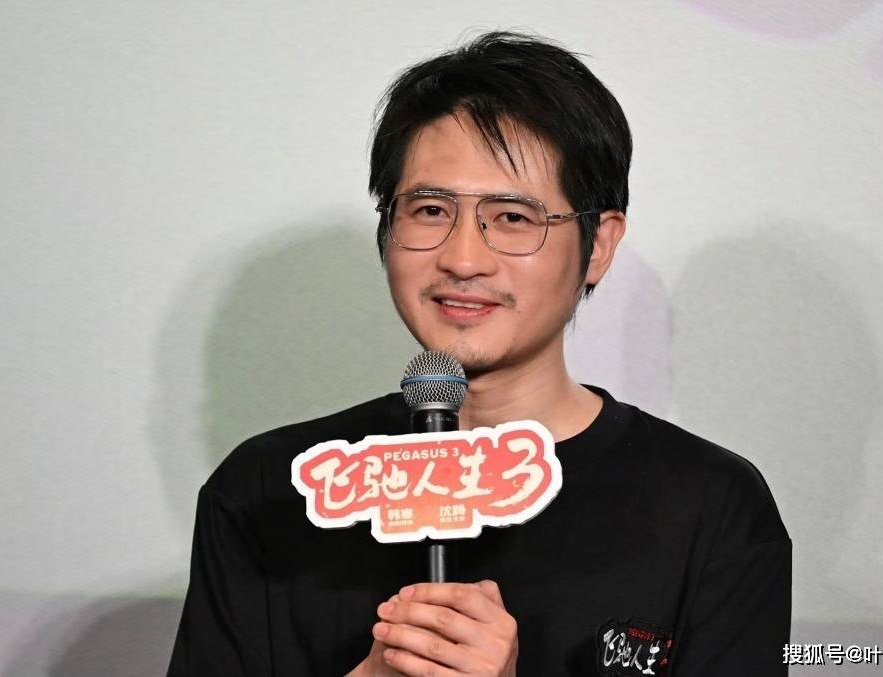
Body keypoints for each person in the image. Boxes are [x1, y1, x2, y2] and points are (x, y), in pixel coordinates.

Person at [168, 31, 791, 677]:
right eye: (430, 210)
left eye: (514, 217)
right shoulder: (269, 488)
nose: (463, 258)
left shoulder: (709, 505)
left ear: (599, 244)